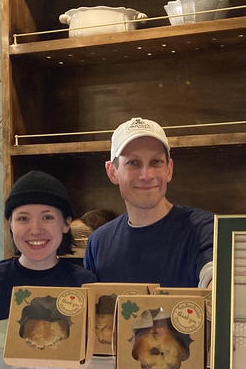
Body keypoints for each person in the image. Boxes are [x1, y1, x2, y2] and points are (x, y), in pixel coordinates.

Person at [84, 117, 214, 287]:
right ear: (112, 172)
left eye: (156, 162)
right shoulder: (98, 242)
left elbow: (215, 277)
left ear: (169, 169)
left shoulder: (206, 229)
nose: (146, 175)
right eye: (133, 163)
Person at [0, 170, 95, 323]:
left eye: (47, 217)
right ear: (11, 225)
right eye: (23, 218)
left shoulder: (86, 284)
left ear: (66, 223)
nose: (35, 230)